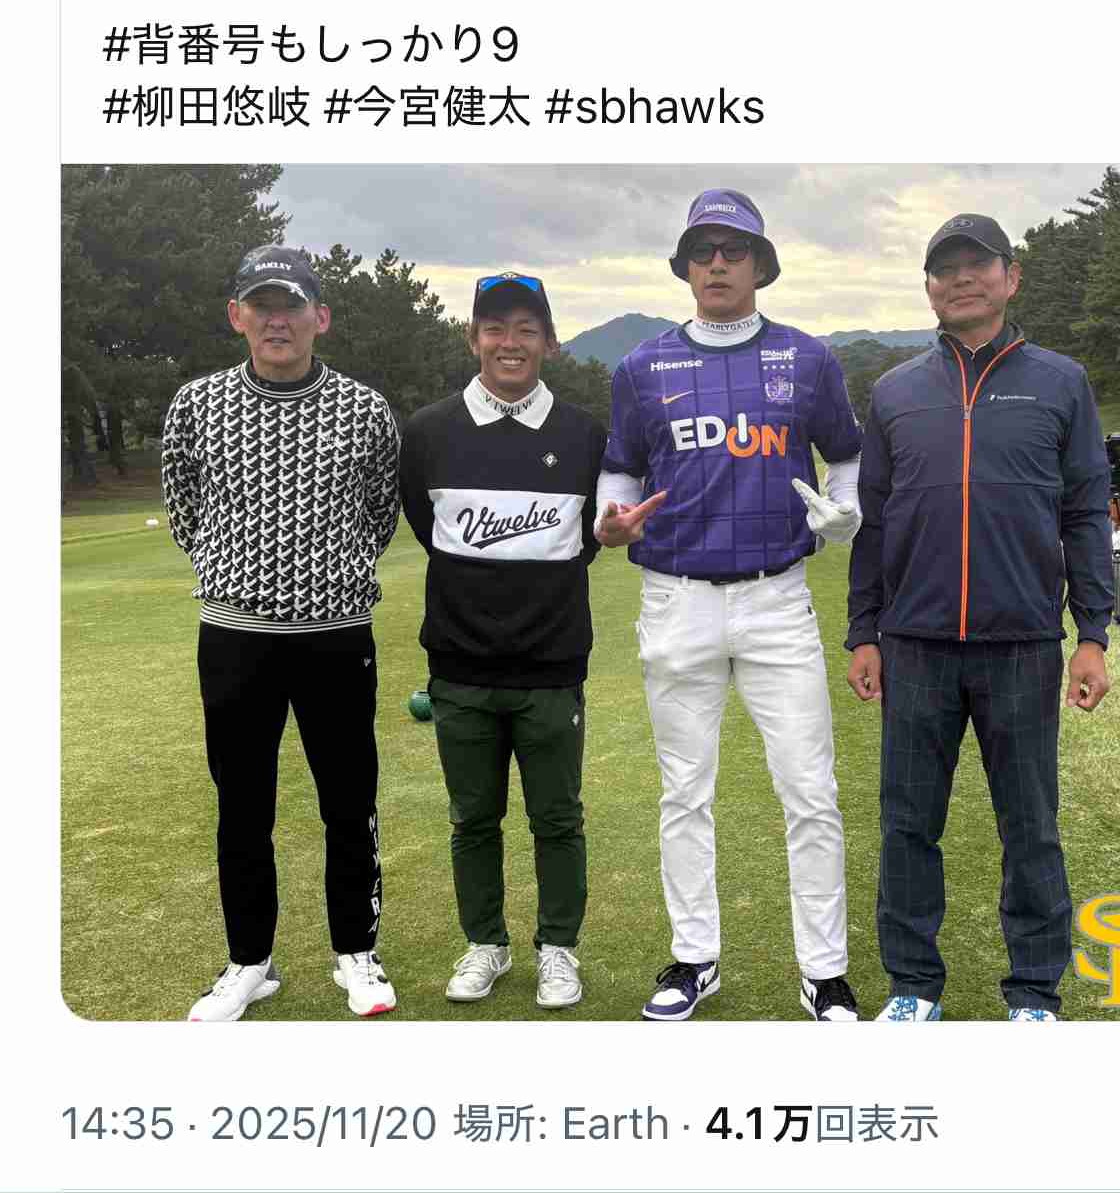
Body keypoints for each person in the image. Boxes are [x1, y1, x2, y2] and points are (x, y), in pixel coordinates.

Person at [596, 189, 863, 1022]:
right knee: (685, 792)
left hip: (778, 600)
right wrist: (610, 519)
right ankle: (693, 959)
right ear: (684, 266)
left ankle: (824, 970)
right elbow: (619, 470)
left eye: (733, 250)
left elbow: (845, 456)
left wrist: (845, 509)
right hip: (676, 599)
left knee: (809, 791)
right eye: (703, 251)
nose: (717, 263)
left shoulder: (808, 358)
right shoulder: (641, 367)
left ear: (759, 265)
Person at [846, 213, 1113, 1023]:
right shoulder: (894, 391)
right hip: (914, 644)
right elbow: (874, 523)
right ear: (929, 287)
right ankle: (912, 987)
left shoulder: (1061, 382)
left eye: (977, 264)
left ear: (1010, 276)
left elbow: (1085, 513)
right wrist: (863, 632)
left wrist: (1092, 635)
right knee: (907, 825)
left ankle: (1033, 992)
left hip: (1023, 644)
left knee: (1030, 826)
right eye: (945, 268)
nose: (961, 279)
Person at [162, 246, 401, 1022]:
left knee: (349, 800)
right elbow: (185, 510)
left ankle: (357, 953)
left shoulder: (365, 409)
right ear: (236, 316)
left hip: (337, 636)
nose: (276, 320)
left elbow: (379, 515)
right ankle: (248, 963)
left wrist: (323, 580)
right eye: (261, 305)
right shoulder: (196, 405)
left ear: (319, 317)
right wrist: (241, 578)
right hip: (235, 639)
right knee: (242, 806)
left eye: (291, 305)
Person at [399, 272, 606, 1011]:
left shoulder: (584, 434)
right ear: (473, 338)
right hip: (459, 667)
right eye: (495, 327)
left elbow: (587, 540)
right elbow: (428, 528)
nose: (509, 342)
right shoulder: (428, 431)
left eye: (526, 328)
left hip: (552, 665)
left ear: (549, 342)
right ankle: (486, 943)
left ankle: (558, 949)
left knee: (558, 819)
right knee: (472, 820)